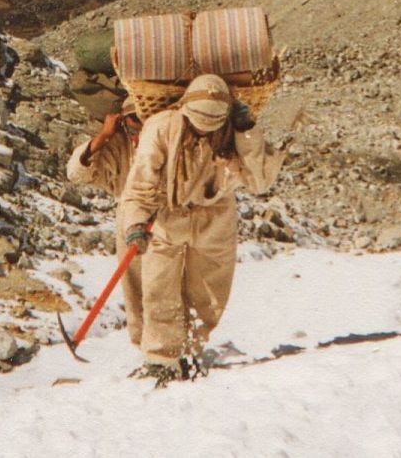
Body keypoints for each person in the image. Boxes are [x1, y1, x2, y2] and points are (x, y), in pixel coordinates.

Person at [119, 74, 282, 383]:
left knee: (209, 290)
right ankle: (160, 358)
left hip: (216, 216)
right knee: (159, 287)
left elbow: (260, 181)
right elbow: (141, 182)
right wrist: (136, 222)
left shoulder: (237, 130)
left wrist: (247, 133)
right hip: (169, 214)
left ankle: (191, 351)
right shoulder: (162, 126)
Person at [66, 99, 144, 345]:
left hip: (165, 221)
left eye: (143, 122)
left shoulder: (166, 137)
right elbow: (77, 173)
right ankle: (145, 348)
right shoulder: (118, 145)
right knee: (134, 287)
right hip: (128, 219)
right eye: (132, 122)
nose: (138, 129)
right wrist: (103, 136)